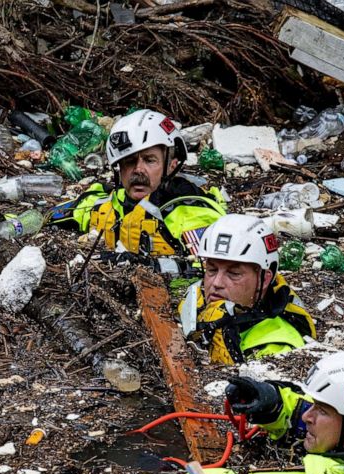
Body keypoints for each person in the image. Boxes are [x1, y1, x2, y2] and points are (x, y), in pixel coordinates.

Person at [52, 109, 226, 257]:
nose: (138, 170)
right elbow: (59, 213)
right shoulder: (105, 206)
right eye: (129, 161)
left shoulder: (193, 215)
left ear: (171, 166)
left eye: (150, 160)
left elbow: (211, 272)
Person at [178, 214, 315, 364]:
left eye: (233, 274)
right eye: (212, 270)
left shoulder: (277, 347)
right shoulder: (195, 299)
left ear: (265, 279)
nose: (216, 283)